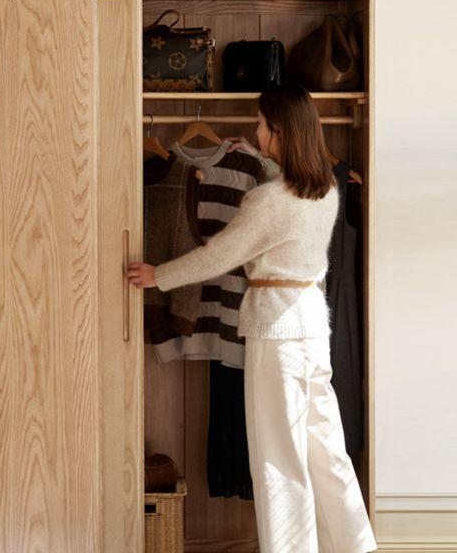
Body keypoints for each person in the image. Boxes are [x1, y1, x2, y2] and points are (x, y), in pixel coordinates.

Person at [127, 83, 377, 553]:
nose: (257, 132)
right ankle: (356, 545)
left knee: (277, 456)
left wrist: (158, 276)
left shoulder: (269, 200)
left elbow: (219, 255)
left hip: (278, 333)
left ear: (278, 130)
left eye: (261, 124)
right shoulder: (323, 192)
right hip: (311, 327)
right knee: (325, 449)